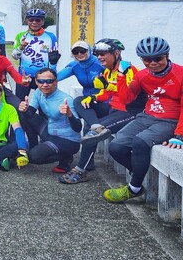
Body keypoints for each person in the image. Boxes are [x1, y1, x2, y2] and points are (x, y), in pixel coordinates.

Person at [103, 36, 183, 203]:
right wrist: (121, 76)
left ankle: (134, 188)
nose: (153, 63)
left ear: (167, 55)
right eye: (147, 59)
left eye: (158, 58)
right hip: (146, 116)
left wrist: (180, 135)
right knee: (116, 147)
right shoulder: (142, 75)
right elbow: (126, 99)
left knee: (140, 142)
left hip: (169, 120)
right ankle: (139, 171)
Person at [59, 38, 146, 184]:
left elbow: (128, 97)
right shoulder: (107, 71)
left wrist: (119, 79)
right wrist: (93, 97)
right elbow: (107, 94)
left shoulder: (129, 70)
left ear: (116, 53)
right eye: (97, 53)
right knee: (80, 101)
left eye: (103, 53)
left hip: (129, 112)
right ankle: (95, 126)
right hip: (113, 108)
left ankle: (80, 170)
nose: (99, 57)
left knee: (90, 133)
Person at [17, 68, 82, 174]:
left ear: (56, 82)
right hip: (50, 132)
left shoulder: (66, 99)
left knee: (34, 157)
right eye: (41, 81)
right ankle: (34, 146)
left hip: (68, 140)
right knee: (23, 115)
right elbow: (30, 115)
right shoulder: (39, 92)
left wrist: (69, 115)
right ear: (36, 82)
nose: (45, 84)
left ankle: (66, 157)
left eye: (49, 81)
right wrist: (24, 109)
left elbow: (78, 128)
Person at [11, 8, 60, 98]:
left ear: (42, 21)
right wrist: (21, 47)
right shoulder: (20, 36)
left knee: (45, 106)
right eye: (31, 20)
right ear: (27, 20)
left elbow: (54, 58)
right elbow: (14, 57)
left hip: (43, 77)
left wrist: (53, 76)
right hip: (25, 75)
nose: (34, 22)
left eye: (38, 20)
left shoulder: (51, 37)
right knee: (20, 104)